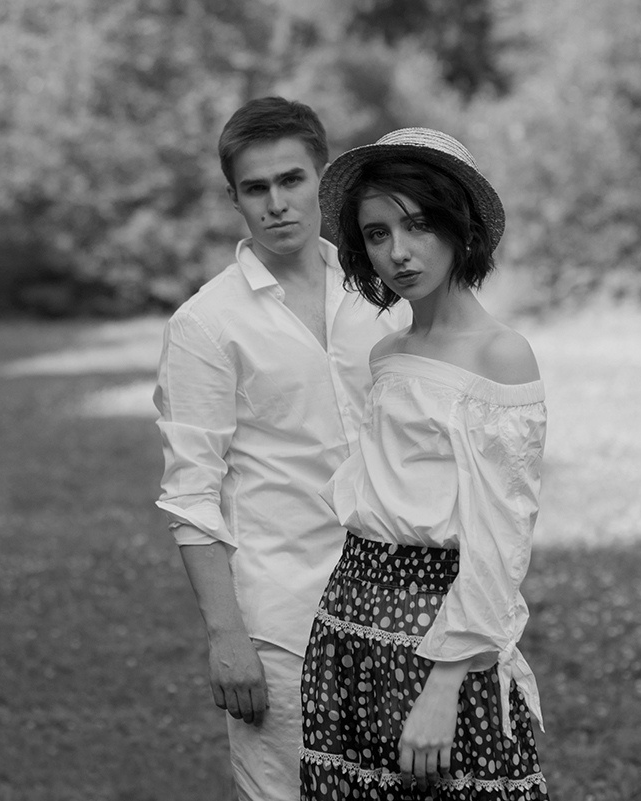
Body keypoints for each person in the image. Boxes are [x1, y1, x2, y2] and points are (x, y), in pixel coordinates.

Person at [153, 98, 411, 800]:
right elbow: (191, 494)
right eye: (256, 188)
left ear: (323, 179)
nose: (276, 203)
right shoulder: (207, 324)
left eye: (292, 180)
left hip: (401, 610)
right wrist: (225, 636)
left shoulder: (383, 294)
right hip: (284, 623)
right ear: (234, 198)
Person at [300, 128, 550, 799]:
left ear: (458, 225)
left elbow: (500, 539)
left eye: (417, 225)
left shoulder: (500, 355)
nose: (398, 251)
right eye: (377, 234)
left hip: (441, 632)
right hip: (348, 620)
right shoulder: (387, 354)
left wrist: (445, 682)